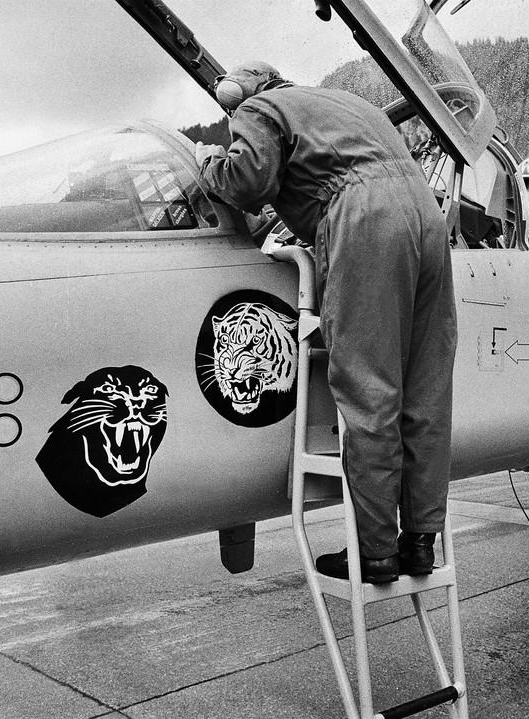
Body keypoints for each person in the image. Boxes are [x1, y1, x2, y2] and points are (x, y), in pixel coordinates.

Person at [195, 61, 457, 585]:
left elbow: (248, 182)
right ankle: (421, 544)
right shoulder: (345, 105)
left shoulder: (260, 108)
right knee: (426, 392)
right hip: (428, 221)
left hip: (365, 220)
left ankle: (376, 552)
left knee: (370, 390)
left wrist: (209, 162)